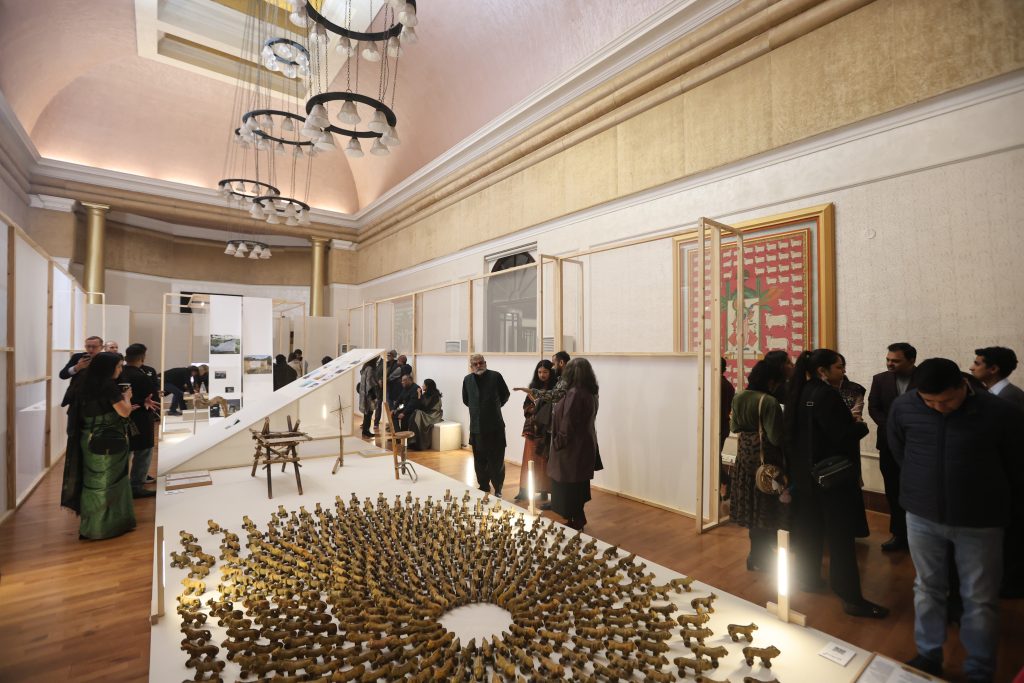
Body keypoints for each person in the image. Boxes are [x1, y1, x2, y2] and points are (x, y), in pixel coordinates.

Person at [889, 358, 1021, 682]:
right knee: (927, 587)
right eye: (929, 402)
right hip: (921, 515)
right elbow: (899, 451)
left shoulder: (999, 412)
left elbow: (1015, 465)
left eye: (947, 401)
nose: (939, 408)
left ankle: (979, 669)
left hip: (980, 520)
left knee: (979, 598)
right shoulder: (904, 407)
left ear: (963, 385)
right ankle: (928, 654)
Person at [787, 348, 888, 618]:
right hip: (830, 477)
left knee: (810, 531)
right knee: (841, 538)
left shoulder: (799, 390)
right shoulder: (827, 395)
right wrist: (860, 425)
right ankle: (850, 597)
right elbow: (841, 435)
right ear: (822, 371)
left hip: (804, 476)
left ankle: (808, 579)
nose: (843, 372)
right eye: (839, 367)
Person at [60, 352, 136, 540]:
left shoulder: (82, 383)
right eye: (118, 366)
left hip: (88, 439)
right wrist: (127, 397)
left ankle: (91, 525)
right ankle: (107, 526)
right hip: (109, 440)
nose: (120, 370)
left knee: (92, 481)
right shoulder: (108, 386)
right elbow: (124, 412)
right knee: (111, 481)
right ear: (109, 368)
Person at [730, 360, 789, 571]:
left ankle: (755, 554)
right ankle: (761, 556)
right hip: (766, 460)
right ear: (771, 381)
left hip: (744, 456)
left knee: (751, 505)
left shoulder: (739, 396)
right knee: (765, 506)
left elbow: (734, 427)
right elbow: (775, 437)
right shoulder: (770, 402)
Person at [868, 342, 918, 552]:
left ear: (911, 360)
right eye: (888, 359)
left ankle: (919, 536)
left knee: (917, 491)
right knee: (893, 490)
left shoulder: (925, 378)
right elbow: (874, 408)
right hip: (888, 444)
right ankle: (899, 534)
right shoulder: (880, 379)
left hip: (917, 446)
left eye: (896, 361)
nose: (890, 364)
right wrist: (892, 427)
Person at [547, 358, 600, 531]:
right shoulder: (591, 391)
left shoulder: (575, 393)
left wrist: (558, 442)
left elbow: (568, 421)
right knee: (578, 484)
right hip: (584, 444)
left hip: (571, 448)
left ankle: (576, 520)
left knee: (569, 486)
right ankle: (576, 519)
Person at [462, 354, 510, 497]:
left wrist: (492, 407)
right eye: (475, 364)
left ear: (485, 363)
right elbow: (466, 400)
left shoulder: (496, 376)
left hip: (495, 426)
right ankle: (483, 485)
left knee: (497, 460)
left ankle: (498, 488)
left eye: (481, 363)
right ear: (471, 366)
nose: (479, 366)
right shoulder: (467, 380)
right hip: (476, 427)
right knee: (479, 459)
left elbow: (505, 395)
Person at [120, 344, 160, 498]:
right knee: (143, 451)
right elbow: (153, 398)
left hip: (122, 417)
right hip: (140, 418)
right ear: (142, 357)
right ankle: (136, 486)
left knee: (126, 451)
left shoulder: (119, 373)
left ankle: (120, 485)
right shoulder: (141, 376)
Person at [515, 360, 555, 503]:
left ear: (551, 373)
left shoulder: (555, 389)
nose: (542, 375)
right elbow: (526, 406)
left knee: (544, 461)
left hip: (546, 430)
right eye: (539, 372)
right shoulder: (533, 387)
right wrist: (534, 408)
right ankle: (524, 491)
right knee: (529, 459)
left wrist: (539, 405)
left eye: (545, 372)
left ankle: (544, 491)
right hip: (532, 429)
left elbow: (552, 408)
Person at [59, 335, 104, 407]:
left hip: (99, 398)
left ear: (101, 347)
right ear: (85, 346)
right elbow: (63, 375)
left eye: (94, 347)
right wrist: (77, 367)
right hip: (77, 398)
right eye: (88, 346)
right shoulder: (77, 357)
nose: (91, 349)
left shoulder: (107, 359)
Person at [407, 379, 443, 451]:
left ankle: (416, 442)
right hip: (427, 413)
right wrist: (420, 396)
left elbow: (425, 407)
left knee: (417, 413)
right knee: (416, 414)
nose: (422, 386)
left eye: (424, 384)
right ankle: (414, 440)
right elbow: (420, 407)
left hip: (433, 415)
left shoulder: (435, 396)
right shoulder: (426, 394)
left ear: (428, 386)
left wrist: (419, 395)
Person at [719, 357, 736, 500]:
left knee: (713, 460)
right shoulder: (728, 385)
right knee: (716, 458)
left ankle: (728, 481)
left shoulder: (716, 384)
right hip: (723, 425)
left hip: (717, 426)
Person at [358, 358, 380, 438]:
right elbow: (370, 383)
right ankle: (366, 431)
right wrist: (374, 396)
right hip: (369, 395)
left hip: (365, 394)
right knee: (369, 413)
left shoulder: (365, 368)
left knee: (367, 413)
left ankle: (365, 431)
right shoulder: (370, 369)